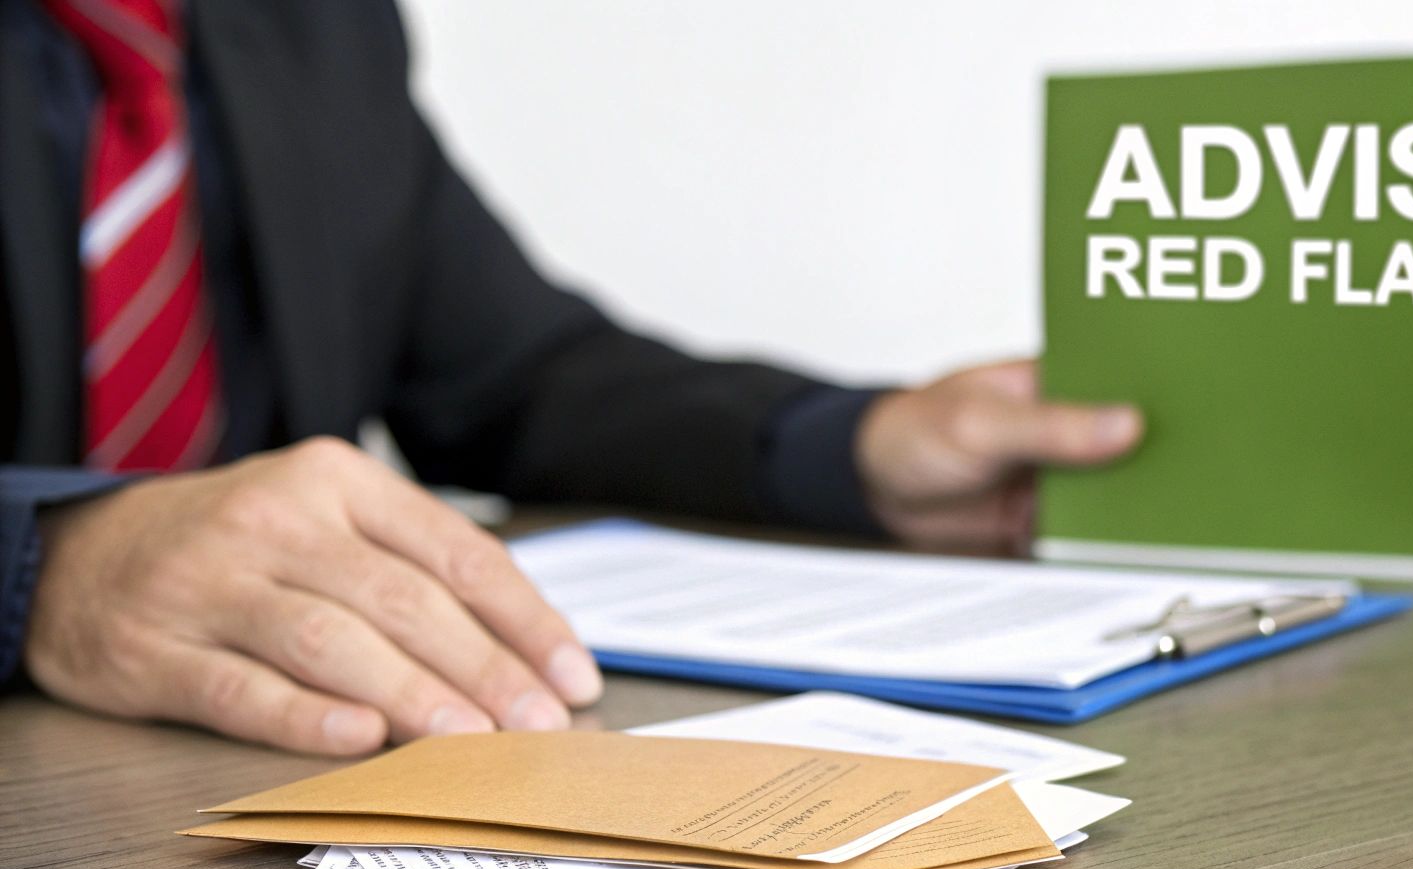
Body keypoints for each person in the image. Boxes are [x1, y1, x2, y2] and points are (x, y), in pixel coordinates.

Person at [0, 0, 1143, 754]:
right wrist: (55, 557)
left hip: (277, 782)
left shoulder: (315, 27)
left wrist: (852, 447)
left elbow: (513, 380)